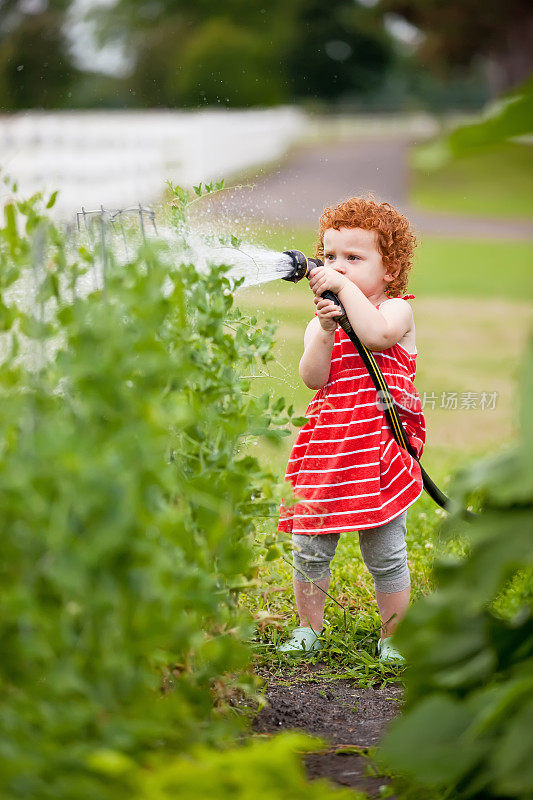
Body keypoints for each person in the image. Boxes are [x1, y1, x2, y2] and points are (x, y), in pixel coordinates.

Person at [277, 197, 426, 663]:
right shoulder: (321, 321)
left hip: (377, 452)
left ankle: (393, 638)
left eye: (353, 258)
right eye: (330, 256)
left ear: (391, 268)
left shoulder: (397, 311)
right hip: (328, 448)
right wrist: (322, 330)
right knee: (310, 546)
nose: (336, 267)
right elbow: (313, 378)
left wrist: (343, 289)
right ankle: (308, 629)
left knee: (385, 553)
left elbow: (377, 336)